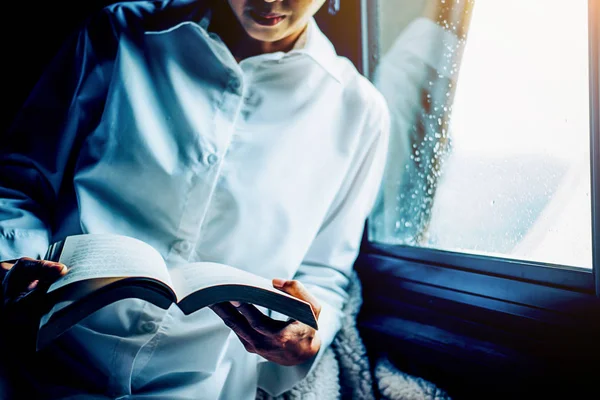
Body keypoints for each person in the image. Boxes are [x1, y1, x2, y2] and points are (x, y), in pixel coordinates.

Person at [0, 0, 390, 398]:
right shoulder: (117, 34)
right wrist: (14, 264)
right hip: (40, 363)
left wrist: (307, 335)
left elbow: (326, 272)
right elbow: (21, 181)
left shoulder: (359, 111)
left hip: (203, 385)